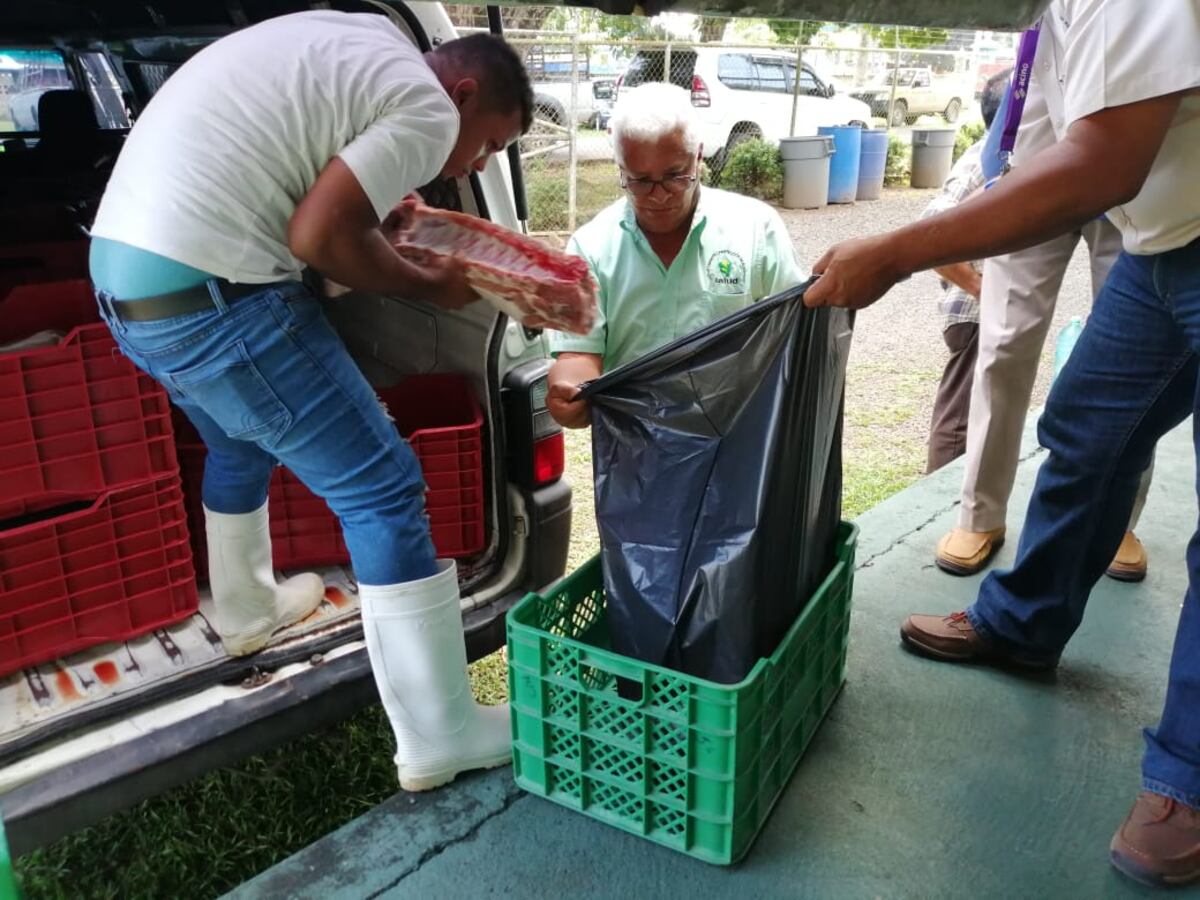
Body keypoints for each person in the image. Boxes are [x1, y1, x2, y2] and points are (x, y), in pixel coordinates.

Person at [805, 0, 1199, 885]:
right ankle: (1024, 625)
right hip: (1167, 244)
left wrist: (901, 250)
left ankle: (1190, 774)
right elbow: (1063, 145)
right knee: (1089, 429)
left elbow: (1101, 163)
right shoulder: (1064, 13)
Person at [87, 11, 533, 792]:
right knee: (384, 486)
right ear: (462, 93)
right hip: (212, 298)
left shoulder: (362, 41)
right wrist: (429, 283)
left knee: (238, 440)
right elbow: (320, 235)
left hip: (126, 289)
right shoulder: (429, 108)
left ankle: (248, 606)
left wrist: (394, 228)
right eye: (489, 144)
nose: (474, 161)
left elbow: (314, 189)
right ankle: (441, 732)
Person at [934, 69, 1153, 581]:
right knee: (1004, 339)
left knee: (1135, 354)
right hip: (1034, 153)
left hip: (1134, 155)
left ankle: (1119, 517)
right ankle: (980, 515)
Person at [544, 82, 806, 428]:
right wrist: (570, 392)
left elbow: (797, 331)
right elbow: (578, 352)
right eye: (639, 180)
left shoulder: (756, 229)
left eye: (675, 176)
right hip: (635, 443)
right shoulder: (590, 248)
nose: (659, 195)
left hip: (741, 438)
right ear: (619, 166)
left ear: (698, 156)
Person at [923, 69, 1008, 473]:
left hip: (979, 313)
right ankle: (937, 504)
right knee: (956, 423)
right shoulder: (986, 162)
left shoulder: (1002, 157)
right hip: (973, 317)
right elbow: (929, 234)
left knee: (976, 417)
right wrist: (979, 287)